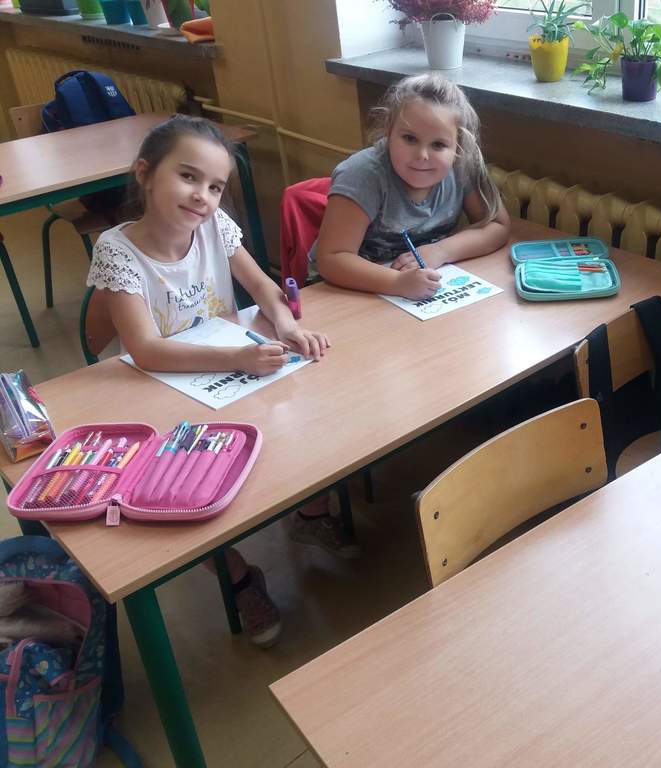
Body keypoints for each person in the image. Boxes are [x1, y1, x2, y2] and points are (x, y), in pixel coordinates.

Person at [86, 115, 331, 647]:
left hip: (222, 378)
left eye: (216, 186)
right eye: (188, 177)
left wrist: (287, 325)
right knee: (182, 491)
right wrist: (238, 359)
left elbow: (263, 287)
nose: (203, 196)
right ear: (145, 174)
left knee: (309, 417)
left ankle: (308, 511)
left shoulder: (214, 227)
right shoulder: (116, 250)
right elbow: (146, 350)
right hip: (157, 389)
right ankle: (238, 574)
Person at [312, 73, 510, 300]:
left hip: (413, 291)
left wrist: (440, 251)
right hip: (343, 292)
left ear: (458, 146)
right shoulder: (363, 175)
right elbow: (332, 259)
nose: (422, 155)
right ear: (389, 131)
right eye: (409, 138)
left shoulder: (462, 166)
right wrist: (397, 282)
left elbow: (497, 224)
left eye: (438, 144)